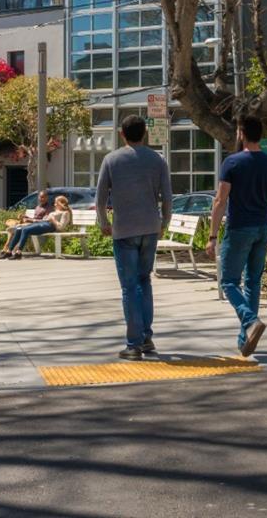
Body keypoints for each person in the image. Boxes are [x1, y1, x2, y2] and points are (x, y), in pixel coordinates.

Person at [96, 115, 172, 360]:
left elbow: (99, 198)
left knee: (129, 286)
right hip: (150, 227)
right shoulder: (157, 160)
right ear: (145, 134)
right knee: (145, 280)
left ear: (122, 134)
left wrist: (104, 222)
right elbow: (168, 197)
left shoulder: (111, 159)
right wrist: (165, 223)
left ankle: (133, 343)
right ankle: (147, 337)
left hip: (124, 229)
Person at [206, 116, 267, 358]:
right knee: (253, 283)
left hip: (239, 228)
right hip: (262, 229)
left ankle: (250, 320)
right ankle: (245, 338)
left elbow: (220, 201)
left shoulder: (232, 163)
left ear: (241, 133)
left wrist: (212, 235)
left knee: (228, 281)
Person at [0, 195, 72, 260]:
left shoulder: (65, 213)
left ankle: (18, 253)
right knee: (19, 229)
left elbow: (61, 227)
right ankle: (9, 251)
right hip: (43, 223)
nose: (54, 204)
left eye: (56, 202)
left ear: (61, 203)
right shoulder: (55, 211)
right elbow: (42, 220)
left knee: (25, 230)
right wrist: (30, 220)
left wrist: (53, 220)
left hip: (50, 226)